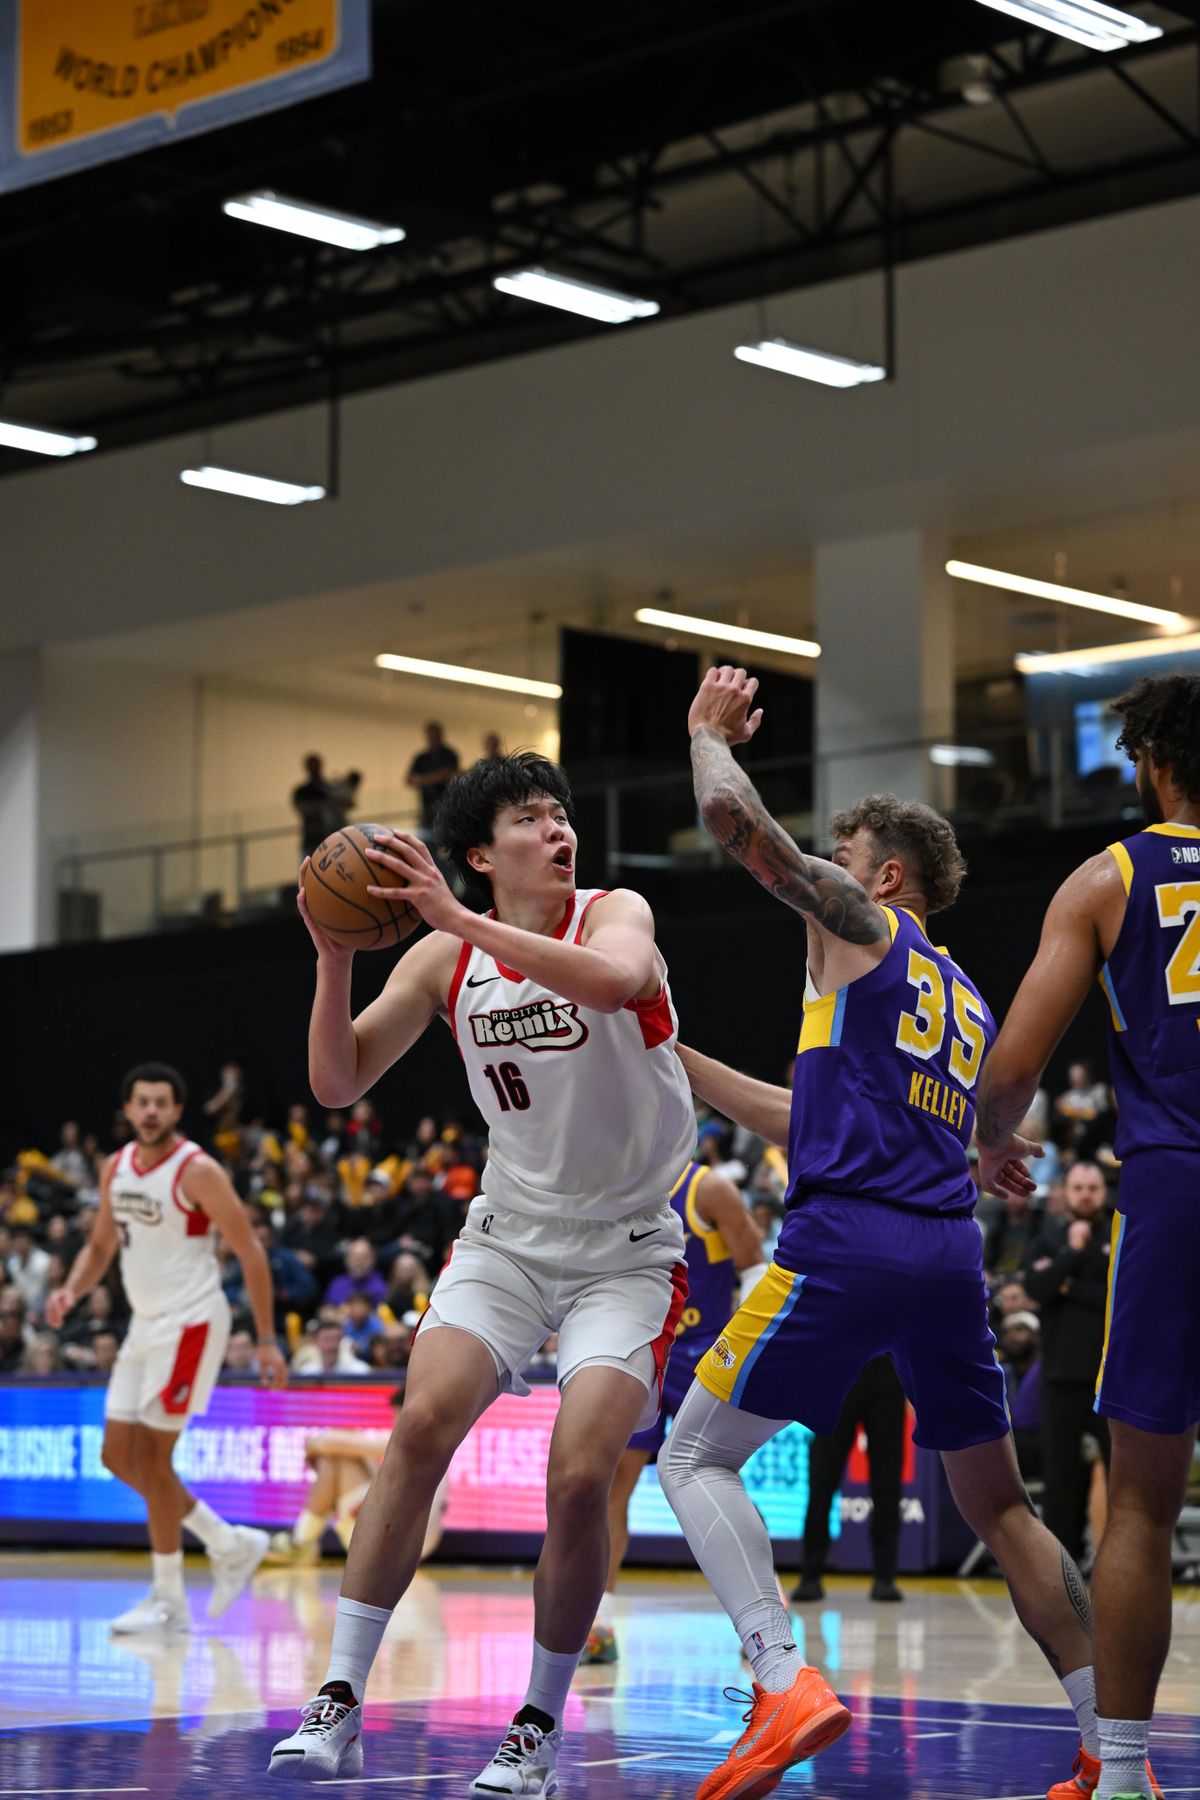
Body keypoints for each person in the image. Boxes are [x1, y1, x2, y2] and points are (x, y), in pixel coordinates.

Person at [658, 665, 1104, 1800]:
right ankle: (1113, 1745)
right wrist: (669, 1052)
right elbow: (809, 1115)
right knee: (998, 1506)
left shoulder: (856, 928)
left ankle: (781, 1679)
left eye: (843, 855)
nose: (828, 871)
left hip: (846, 1244)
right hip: (946, 1255)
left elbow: (735, 825)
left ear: (883, 875)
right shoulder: (961, 996)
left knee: (693, 1453)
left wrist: (709, 736)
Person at [269, 749, 695, 1789]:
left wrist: (455, 919)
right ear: (478, 852)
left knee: (584, 1471)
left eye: (562, 814)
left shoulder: (611, 913)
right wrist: (334, 955)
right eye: (533, 819)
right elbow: (335, 1083)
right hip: (509, 1237)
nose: (559, 831)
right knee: (417, 1429)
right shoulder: (441, 964)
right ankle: (338, 1697)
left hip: (629, 1253)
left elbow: (620, 981)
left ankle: (539, 1724)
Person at [975, 672, 1200, 1800]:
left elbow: (1013, 1064)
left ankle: (1120, 1775)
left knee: (1144, 1499)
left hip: (1175, 1193)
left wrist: (990, 1144)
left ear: (1153, 763)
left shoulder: (1110, 878)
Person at [46, 1063, 288, 1634]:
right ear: (128, 1109)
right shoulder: (115, 1168)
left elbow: (251, 1252)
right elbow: (101, 1244)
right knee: (116, 1457)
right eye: (141, 1102)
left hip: (192, 1324)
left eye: (161, 1102)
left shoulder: (197, 1170)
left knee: (153, 1460)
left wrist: (268, 1340)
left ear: (177, 1111)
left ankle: (169, 1598)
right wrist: (71, 1290)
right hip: (143, 1326)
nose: (151, 1111)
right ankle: (226, 1541)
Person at [583, 1158, 764, 1665]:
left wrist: (746, 1344)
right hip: (643, 1343)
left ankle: (762, 1623)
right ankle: (599, 1619)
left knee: (721, 1480)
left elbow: (753, 1261)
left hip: (705, 1352)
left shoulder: (707, 1187)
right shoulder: (616, 1178)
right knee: (609, 1485)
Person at [1023, 1160, 1113, 1565]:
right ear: (1066, 1192)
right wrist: (1073, 1253)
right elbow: (1037, 1289)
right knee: (1060, 1478)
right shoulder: (1050, 1238)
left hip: (1110, 1380)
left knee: (1121, 1479)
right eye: (1078, 1187)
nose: (1085, 1195)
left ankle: (1116, 1567)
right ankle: (1065, 1569)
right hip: (1059, 1376)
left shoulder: (1120, 1237)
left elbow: (1118, 1295)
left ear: (1103, 1192)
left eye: (1092, 1187)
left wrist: (1068, 1285)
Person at [264, 1387, 448, 1567]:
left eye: (398, 1415)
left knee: (336, 1456)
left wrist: (313, 1446)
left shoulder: (413, 1442)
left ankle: (301, 1541)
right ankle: (302, 1541)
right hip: (406, 1541)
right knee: (342, 1453)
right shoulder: (437, 1446)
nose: (396, 1421)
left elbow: (330, 1442)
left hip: (394, 1545)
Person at [792, 1354, 908, 1605]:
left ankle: (885, 1577)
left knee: (887, 1483)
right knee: (821, 1481)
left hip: (886, 1374)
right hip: (839, 1374)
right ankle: (810, 1575)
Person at [292, 755, 363, 860]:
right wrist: (326, 804)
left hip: (333, 840)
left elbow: (349, 803)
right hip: (312, 840)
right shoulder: (302, 791)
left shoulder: (329, 787)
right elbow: (302, 808)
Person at [406, 721, 459, 832]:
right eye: (429, 735)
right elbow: (410, 780)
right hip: (427, 808)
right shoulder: (421, 758)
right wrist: (436, 777)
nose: (432, 738)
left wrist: (423, 779)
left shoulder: (449, 755)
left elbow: (451, 775)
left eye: (434, 735)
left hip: (446, 807)